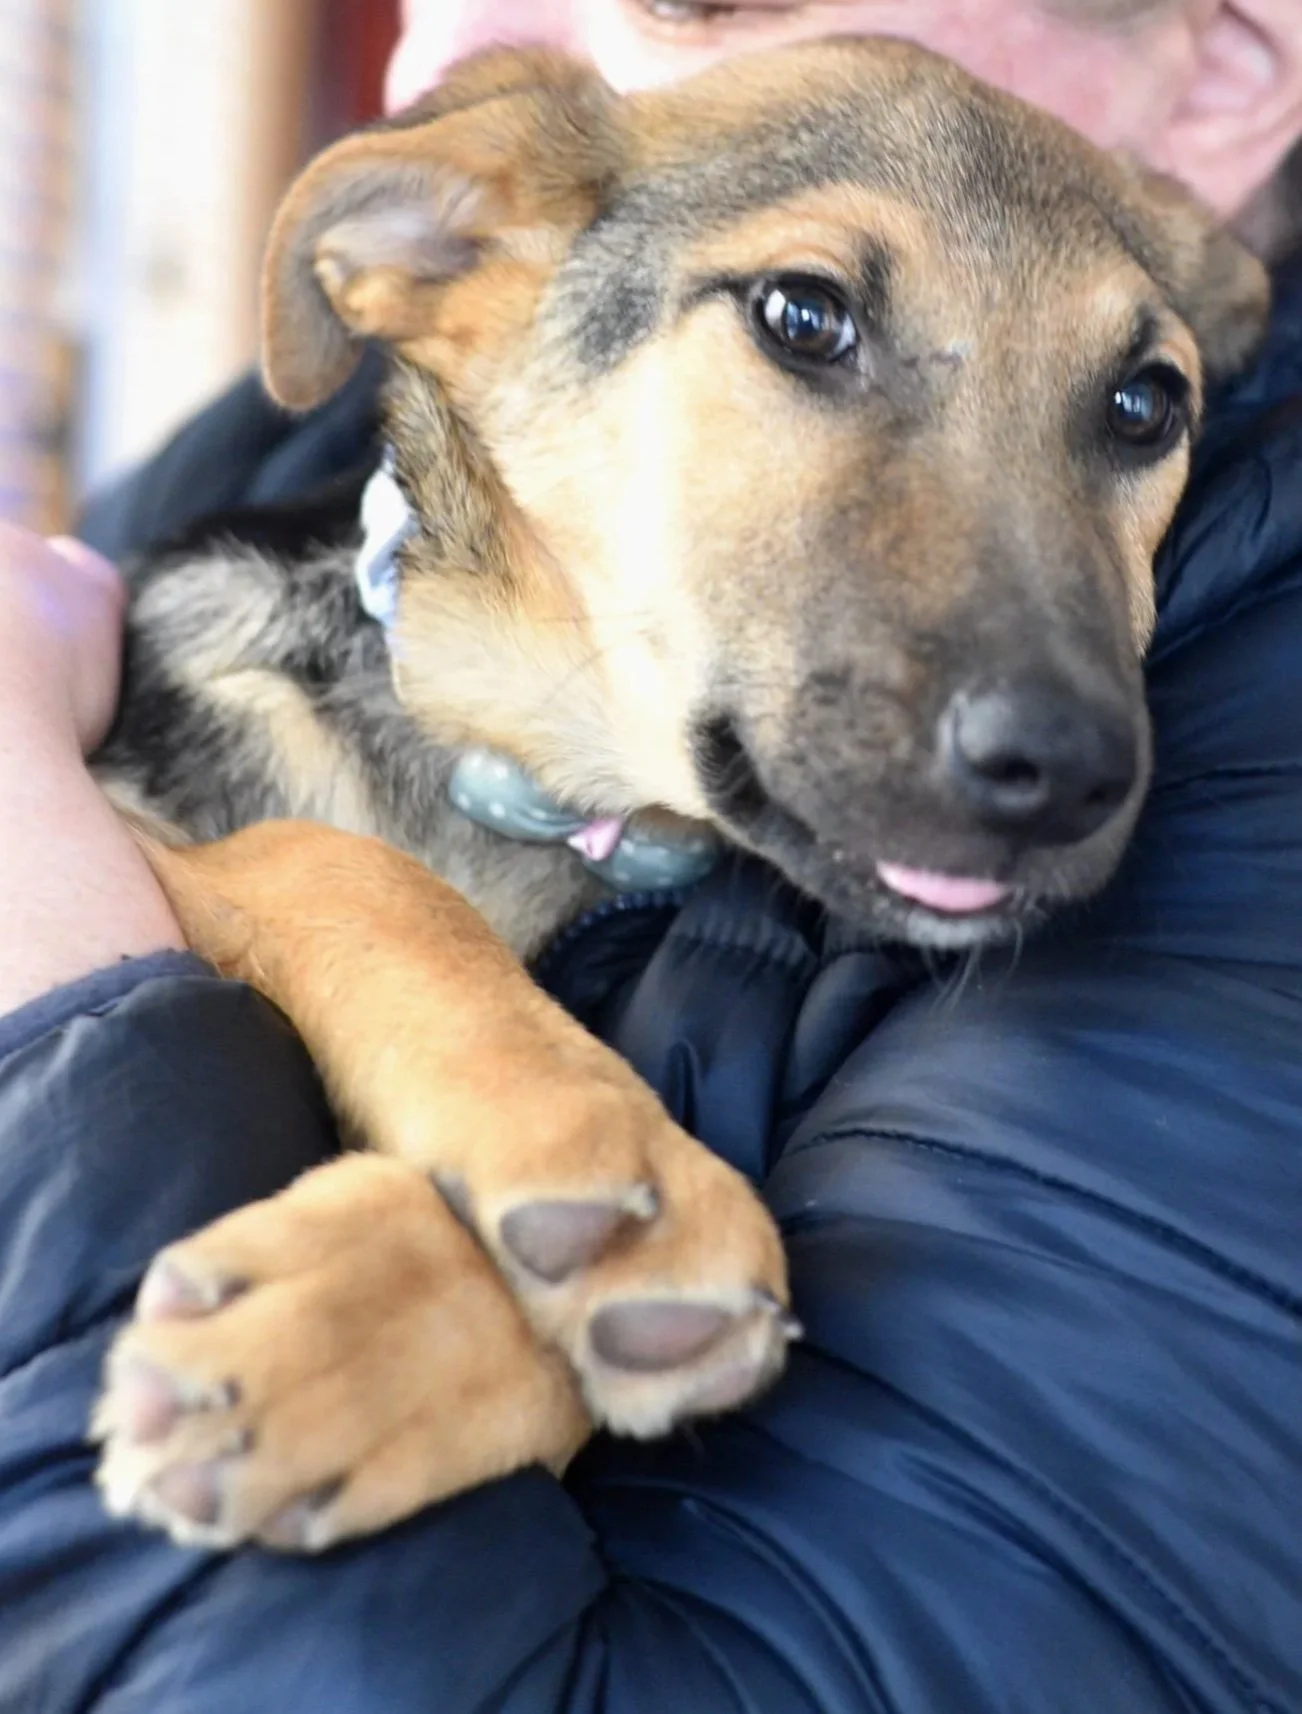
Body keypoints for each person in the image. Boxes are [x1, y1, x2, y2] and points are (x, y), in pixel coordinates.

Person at [3, 2, 1302, 1708]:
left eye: (1135, 404)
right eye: (806, 318)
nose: (438, 62)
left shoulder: (1246, 756)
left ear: (1211, 70)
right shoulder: (297, 460)